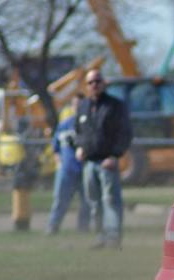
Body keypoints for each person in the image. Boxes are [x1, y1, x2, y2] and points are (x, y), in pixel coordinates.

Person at [75, 69, 132, 249]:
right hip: (89, 162)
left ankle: (114, 238)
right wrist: (79, 146)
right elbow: (78, 130)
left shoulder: (115, 106)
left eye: (97, 81)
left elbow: (125, 133)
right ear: (86, 86)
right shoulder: (83, 106)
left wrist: (115, 155)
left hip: (107, 161)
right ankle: (100, 237)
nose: (94, 85)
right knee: (94, 201)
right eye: (90, 82)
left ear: (103, 83)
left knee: (110, 200)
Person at [47, 93, 90, 234]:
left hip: (84, 169)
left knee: (86, 202)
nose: (77, 107)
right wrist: (58, 160)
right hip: (66, 170)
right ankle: (53, 227)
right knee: (60, 200)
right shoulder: (64, 125)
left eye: (80, 105)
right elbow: (56, 147)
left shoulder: (89, 124)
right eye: (75, 104)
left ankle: (83, 229)